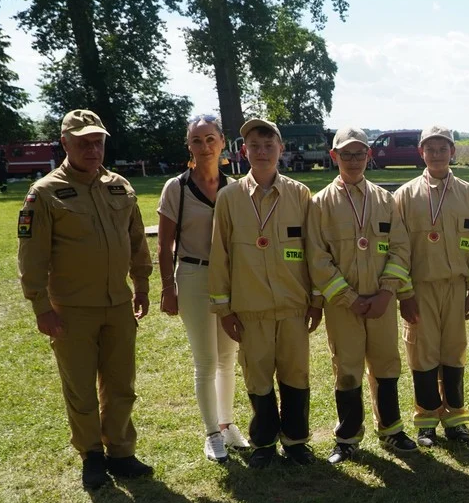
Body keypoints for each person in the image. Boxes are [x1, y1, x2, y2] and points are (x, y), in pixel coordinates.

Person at [17, 109, 154, 490]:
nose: (93, 149)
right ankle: (92, 455)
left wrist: (141, 284)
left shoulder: (120, 187)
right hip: (72, 309)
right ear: (65, 144)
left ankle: (122, 453)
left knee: (121, 382)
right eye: (83, 142)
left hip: (118, 304)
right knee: (80, 387)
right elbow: (32, 256)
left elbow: (137, 240)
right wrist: (41, 306)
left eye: (98, 141)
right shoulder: (44, 193)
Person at [209, 119, 323, 468]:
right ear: (244, 151)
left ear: (281, 149)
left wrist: (316, 298)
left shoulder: (300, 195)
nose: (261, 152)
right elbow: (220, 254)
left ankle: (296, 441)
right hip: (251, 308)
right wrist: (224, 309)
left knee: (295, 375)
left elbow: (313, 249)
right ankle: (263, 444)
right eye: (254, 146)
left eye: (268, 145)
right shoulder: (229, 198)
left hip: (292, 306)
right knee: (257, 376)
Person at [306, 127, 418, 463]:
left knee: (387, 365)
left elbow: (400, 249)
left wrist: (386, 293)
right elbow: (318, 258)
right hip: (344, 305)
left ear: (369, 156)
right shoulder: (320, 204)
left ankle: (392, 429)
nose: (353, 161)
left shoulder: (386, 200)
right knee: (348, 368)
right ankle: (348, 437)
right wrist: (349, 298)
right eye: (346, 154)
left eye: (359, 154)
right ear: (334, 157)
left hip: (381, 301)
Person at [157, 114, 248, 463]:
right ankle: (211, 433)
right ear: (189, 146)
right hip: (193, 276)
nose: (205, 146)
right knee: (206, 360)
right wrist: (168, 287)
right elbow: (165, 245)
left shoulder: (235, 187)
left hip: (227, 279)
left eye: (210, 139)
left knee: (228, 356)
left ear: (223, 142)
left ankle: (227, 425)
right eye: (197, 140)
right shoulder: (176, 188)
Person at [394, 125, 469, 447]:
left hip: (456, 286)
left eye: (442, 148)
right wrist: (404, 293)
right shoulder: (404, 195)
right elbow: (398, 248)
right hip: (421, 288)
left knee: (454, 353)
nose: (436, 154)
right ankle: (427, 421)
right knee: (423, 354)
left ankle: (456, 420)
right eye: (430, 149)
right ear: (421, 153)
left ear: (452, 152)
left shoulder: (468, 193)